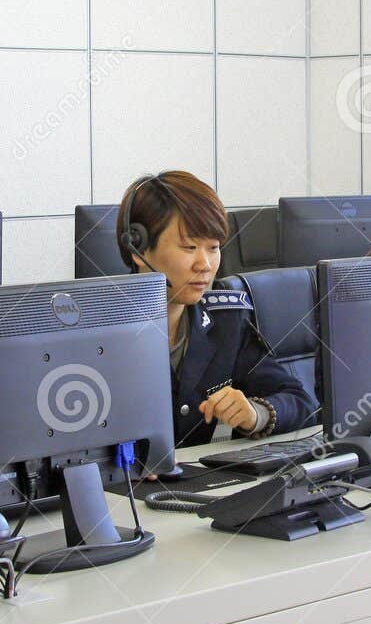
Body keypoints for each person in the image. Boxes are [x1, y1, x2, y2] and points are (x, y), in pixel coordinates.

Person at [116, 170, 317, 449]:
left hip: (209, 484)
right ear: (137, 249)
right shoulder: (99, 335)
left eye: (213, 247)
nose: (206, 264)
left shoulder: (227, 320)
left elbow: (300, 401)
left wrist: (254, 414)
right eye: (189, 247)